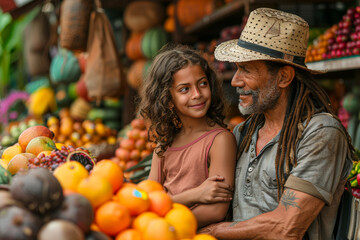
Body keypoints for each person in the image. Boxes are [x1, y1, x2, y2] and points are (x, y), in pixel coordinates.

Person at [199, 7, 355, 239]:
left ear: (284, 77)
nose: (235, 80)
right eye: (237, 69)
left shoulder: (321, 133)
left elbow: (286, 227)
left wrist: (213, 231)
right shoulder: (243, 132)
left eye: (247, 70)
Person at [137, 45, 237, 228]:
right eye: (184, 89)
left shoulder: (220, 140)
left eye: (202, 84)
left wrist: (166, 218)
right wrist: (195, 195)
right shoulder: (164, 146)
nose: (197, 94)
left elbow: (216, 210)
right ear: (167, 100)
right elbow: (148, 201)